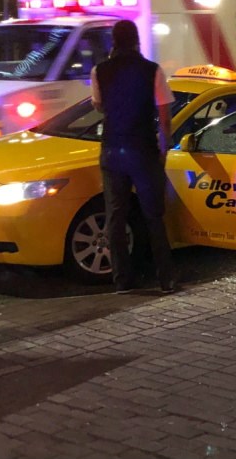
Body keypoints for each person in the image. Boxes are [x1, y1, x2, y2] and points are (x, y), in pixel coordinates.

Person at [91, 20, 177, 294]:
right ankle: (166, 279)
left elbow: (98, 105)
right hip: (142, 150)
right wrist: (164, 149)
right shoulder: (152, 70)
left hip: (112, 150)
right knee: (154, 215)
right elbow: (164, 118)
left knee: (116, 216)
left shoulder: (99, 71)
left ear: (113, 42)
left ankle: (122, 280)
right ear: (137, 40)